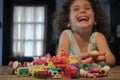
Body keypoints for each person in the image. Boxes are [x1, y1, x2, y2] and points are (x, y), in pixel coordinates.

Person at [53, 0, 116, 66]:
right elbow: (59, 60)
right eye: (76, 9)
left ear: (95, 20)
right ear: (68, 22)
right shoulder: (66, 35)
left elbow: (112, 60)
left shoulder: (98, 36)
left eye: (87, 8)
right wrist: (77, 61)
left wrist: (103, 59)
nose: (82, 11)